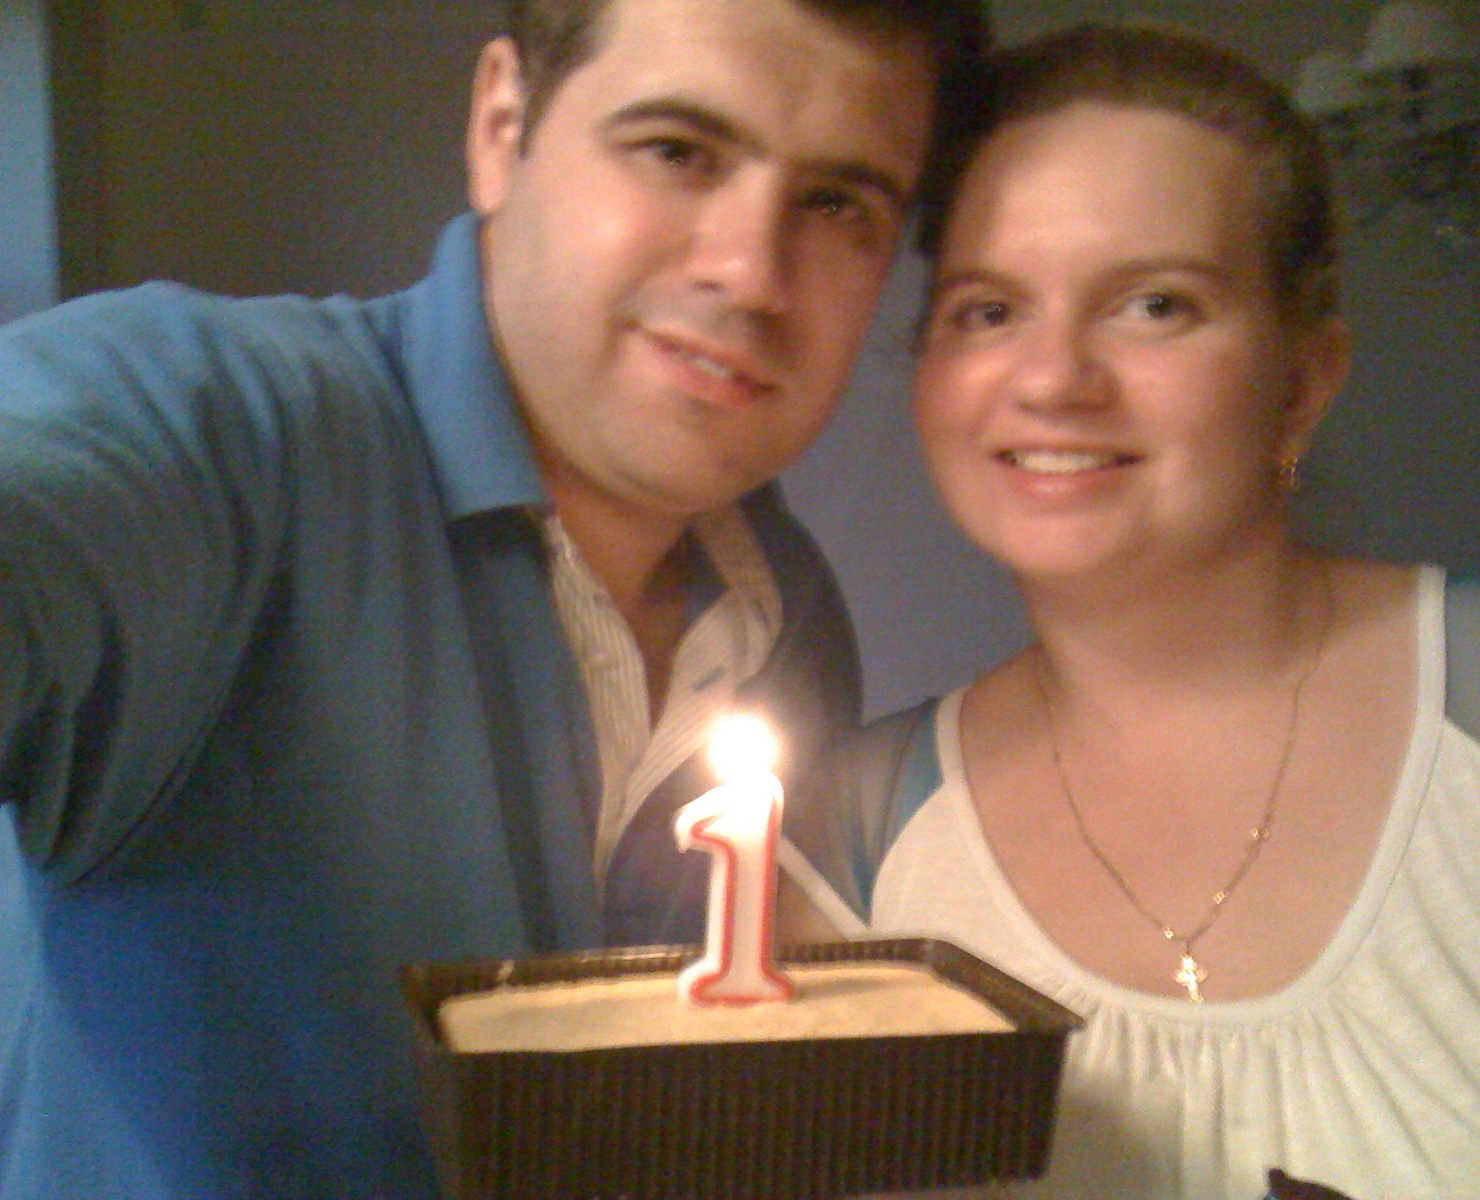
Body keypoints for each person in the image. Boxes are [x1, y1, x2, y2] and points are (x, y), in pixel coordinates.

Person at [0, 0, 990, 1195]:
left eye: (837, 205)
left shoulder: (792, 620)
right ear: (500, 125)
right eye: (677, 150)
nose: (750, 274)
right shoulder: (219, 439)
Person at [783, 22, 1480, 1200]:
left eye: (1155, 304)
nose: (1053, 378)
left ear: (1301, 381)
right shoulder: (843, 846)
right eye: (987, 310)